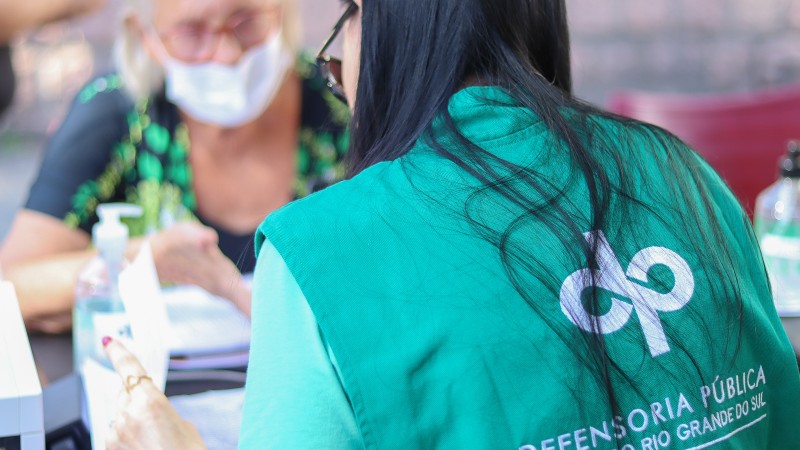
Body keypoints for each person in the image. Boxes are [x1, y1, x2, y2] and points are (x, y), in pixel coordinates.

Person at [103, 0, 800, 447]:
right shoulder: (683, 171)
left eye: (348, 15)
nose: (339, 61)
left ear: (390, 25)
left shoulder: (319, 248)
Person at [0, 0, 350, 331]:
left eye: (246, 22)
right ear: (145, 35)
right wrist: (144, 261)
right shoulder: (115, 113)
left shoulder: (342, 101)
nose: (227, 54)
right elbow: (12, 286)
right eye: (191, 33)